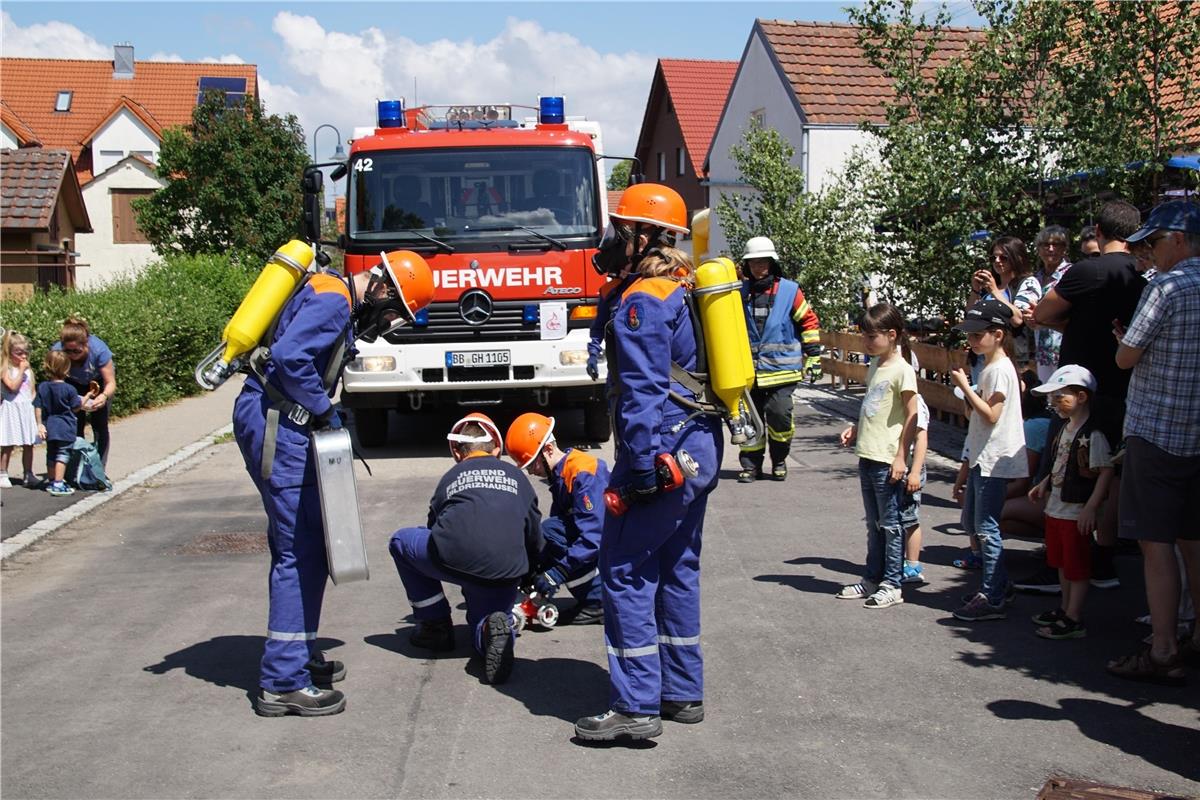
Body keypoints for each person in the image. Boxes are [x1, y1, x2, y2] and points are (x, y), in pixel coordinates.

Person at [233, 249, 434, 717]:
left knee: (307, 545)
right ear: (382, 287)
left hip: (278, 419)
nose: (385, 325)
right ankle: (283, 682)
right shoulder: (335, 301)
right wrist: (324, 412)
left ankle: (296, 655)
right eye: (391, 315)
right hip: (279, 426)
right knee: (296, 549)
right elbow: (288, 358)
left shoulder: (328, 290)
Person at [574, 183, 722, 742]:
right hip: (699, 448)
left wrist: (637, 469)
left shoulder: (641, 301)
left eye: (620, 228)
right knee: (677, 567)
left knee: (623, 569)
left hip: (661, 451)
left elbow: (640, 395)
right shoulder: (682, 289)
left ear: (644, 236)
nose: (611, 239)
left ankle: (636, 706)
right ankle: (682, 691)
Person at [1108, 200, 1200, 686]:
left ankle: (1163, 647)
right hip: (1197, 433)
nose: (1150, 252)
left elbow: (1125, 358)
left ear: (1179, 241)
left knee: (1155, 543)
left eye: (1156, 242)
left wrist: (1126, 341)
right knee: (1193, 540)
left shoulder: (1167, 286)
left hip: (1158, 429)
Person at [1035, 200, 1147, 590]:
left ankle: (1065, 563)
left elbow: (1041, 314)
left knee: (1068, 467)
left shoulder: (1086, 271)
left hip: (1081, 389)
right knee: (1109, 473)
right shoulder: (1144, 275)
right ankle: (1104, 559)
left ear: (1097, 232)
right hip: (1124, 384)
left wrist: (1077, 325)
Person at [389, 412, 543, 686]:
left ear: (458, 453)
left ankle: (435, 625)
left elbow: (433, 528)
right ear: (496, 448)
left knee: (402, 542)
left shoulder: (452, 476)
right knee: (486, 618)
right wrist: (529, 573)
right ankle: (492, 629)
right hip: (507, 568)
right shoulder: (518, 478)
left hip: (457, 558)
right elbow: (533, 532)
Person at [949, 299, 1028, 621]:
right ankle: (999, 585)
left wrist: (965, 388)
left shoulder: (997, 370)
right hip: (986, 456)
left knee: (987, 528)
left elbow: (992, 414)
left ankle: (993, 595)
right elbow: (978, 415)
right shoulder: (993, 368)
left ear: (997, 334)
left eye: (977, 335)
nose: (971, 341)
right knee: (982, 525)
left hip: (995, 458)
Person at [836, 303, 918, 609]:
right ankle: (872, 577)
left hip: (887, 459)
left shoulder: (903, 370)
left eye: (872, 336)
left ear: (892, 335)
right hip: (868, 454)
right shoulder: (876, 366)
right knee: (874, 524)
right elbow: (875, 406)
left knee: (891, 524)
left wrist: (901, 457)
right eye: (864, 336)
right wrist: (857, 427)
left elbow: (912, 416)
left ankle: (892, 583)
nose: (866, 343)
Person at [1026, 365, 1113, 640]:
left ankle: (1074, 616)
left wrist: (1091, 507)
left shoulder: (1093, 436)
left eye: (1060, 397)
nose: (1054, 403)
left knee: (1076, 565)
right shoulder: (1065, 429)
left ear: (1082, 397)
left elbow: (1105, 471)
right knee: (1061, 562)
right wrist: (1044, 483)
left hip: (1075, 510)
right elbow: (1059, 464)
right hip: (1057, 506)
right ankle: (1065, 609)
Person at [505, 412, 606, 624]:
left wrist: (557, 573)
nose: (532, 472)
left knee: (551, 532)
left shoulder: (583, 472)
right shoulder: (561, 474)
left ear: (548, 450)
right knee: (546, 535)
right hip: (596, 543)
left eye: (533, 464)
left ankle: (598, 602)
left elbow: (593, 537)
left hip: (611, 547)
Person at [737, 236, 822, 483]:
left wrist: (814, 356)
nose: (758, 266)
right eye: (753, 262)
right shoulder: (740, 293)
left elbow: (808, 321)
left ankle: (779, 458)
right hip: (748, 372)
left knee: (779, 415)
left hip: (782, 371)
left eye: (762, 261)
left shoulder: (789, 291)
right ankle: (751, 467)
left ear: (772, 263)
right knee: (749, 421)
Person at [51, 316, 115, 466]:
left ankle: (99, 467)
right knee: (74, 424)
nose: (72, 355)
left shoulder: (99, 350)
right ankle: (77, 464)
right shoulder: (57, 351)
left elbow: (111, 382)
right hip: (72, 384)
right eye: (68, 351)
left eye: (77, 351)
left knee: (99, 425)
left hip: (98, 383)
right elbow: (55, 382)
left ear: (86, 345)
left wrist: (104, 396)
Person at [1024, 226, 1073, 383]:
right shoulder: (1035, 278)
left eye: (1056, 244)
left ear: (1064, 248)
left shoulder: (1071, 274)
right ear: (1038, 249)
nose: (1050, 249)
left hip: (1066, 348)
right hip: (1043, 351)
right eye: (1045, 244)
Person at [32, 350, 82, 497]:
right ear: (67, 369)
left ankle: (52, 480)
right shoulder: (69, 389)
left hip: (50, 425)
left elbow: (38, 406)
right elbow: (76, 407)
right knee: (63, 454)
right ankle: (59, 483)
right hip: (65, 426)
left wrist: (40, 424)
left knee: (51, 454)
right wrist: (85, 400)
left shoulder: (42, 387)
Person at [1, 331, 39, 487]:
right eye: (19, 353)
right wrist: (22, 371)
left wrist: (35, 407)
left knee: (28, 443)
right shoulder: (6, 369)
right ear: (9, 353)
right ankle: (2, 472)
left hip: (26, 408)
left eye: (25, 352)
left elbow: (32, 390)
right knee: (8, 443)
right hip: (11, 408)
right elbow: (12, 387)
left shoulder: (29, 371)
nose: (23, 356)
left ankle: (28, 473)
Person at [900, 392, 931, 584]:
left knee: (909, 517)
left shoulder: (916, 401)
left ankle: (912, 564)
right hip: (895, 464)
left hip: (910, 466)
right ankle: (897, 561)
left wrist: (915, 472)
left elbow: (921, 439)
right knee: (896, 517)